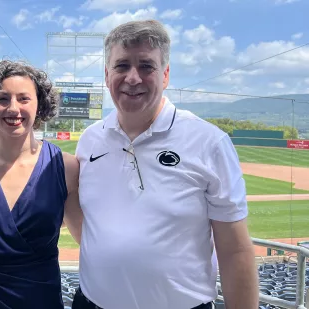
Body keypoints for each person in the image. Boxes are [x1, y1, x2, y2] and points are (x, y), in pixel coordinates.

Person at [73, 19, 259, 309]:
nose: (133, 78)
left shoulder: (209, 142)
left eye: (146, 66)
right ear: (107, 74)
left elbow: (234, 250)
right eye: (122, 66)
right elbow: (89, 223)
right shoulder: (89, 140)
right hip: (92, 303)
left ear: (166, 75)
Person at [0, 60, 83, 309]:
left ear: (39, 105)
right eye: (2, 99)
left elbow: (87, 239)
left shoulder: (67, 167)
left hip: (39, 299)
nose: (13, 108)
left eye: (24, 99)